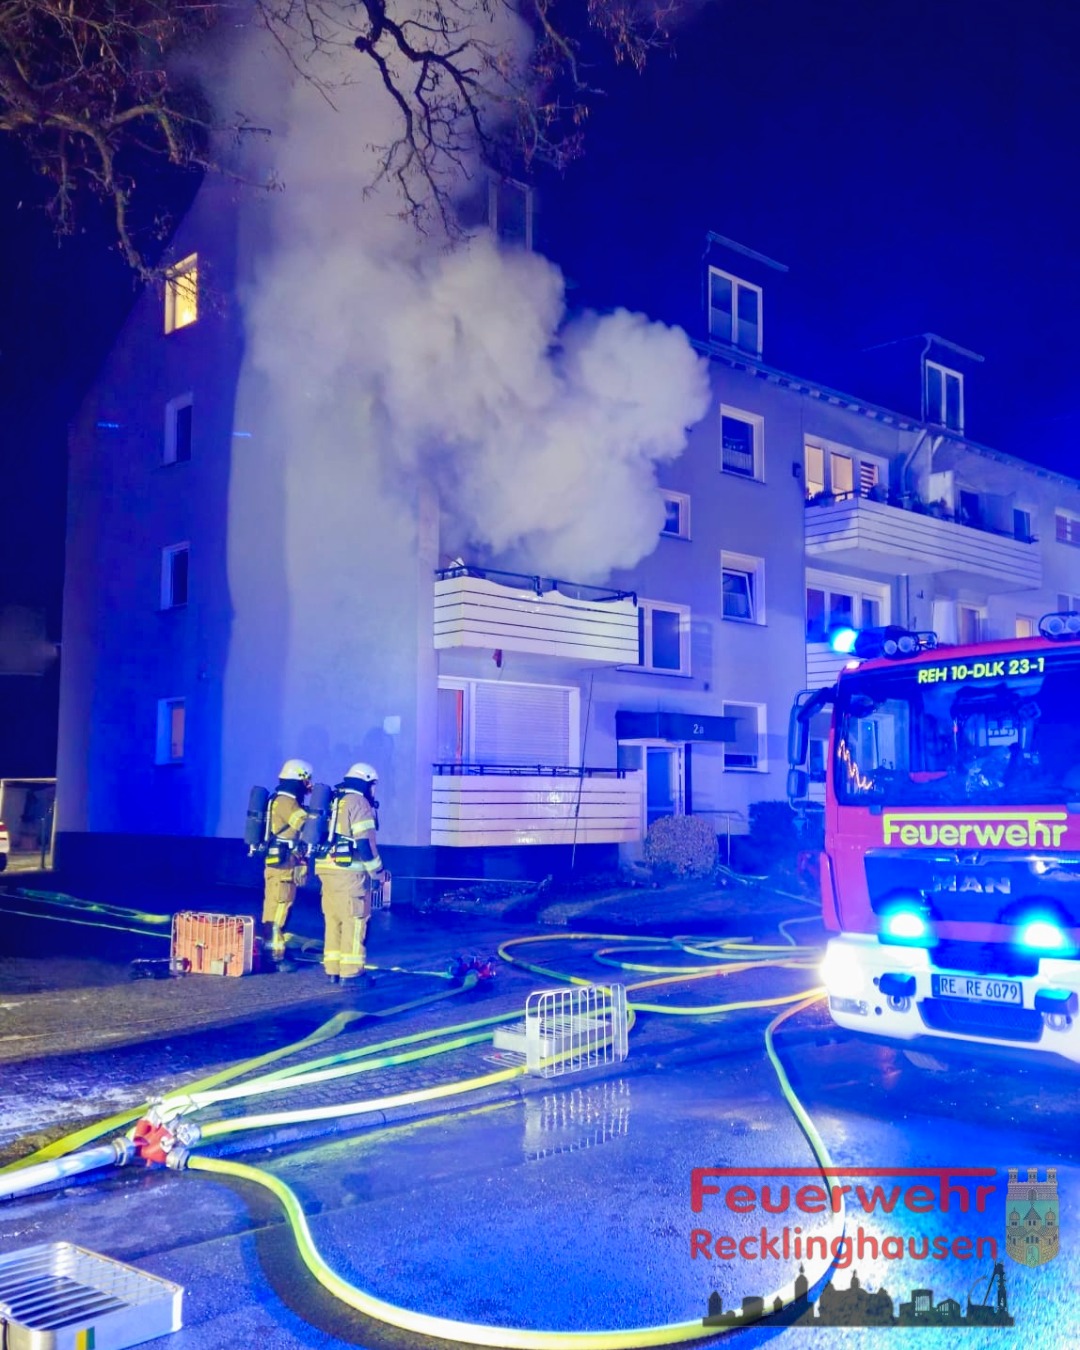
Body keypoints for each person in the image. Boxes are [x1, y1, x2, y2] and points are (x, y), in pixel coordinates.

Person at [315, 762, 387, 985]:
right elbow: (364, 843)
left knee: (334, 920)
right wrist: (377, 872)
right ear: (366, 782)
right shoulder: (359, 803)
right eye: (373, 785)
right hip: (349, 874)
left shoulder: (335, 799)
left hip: (326, 869)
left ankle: (333, 970)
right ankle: (352, 973)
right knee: (354, 921)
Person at [261, 758, 315, 971]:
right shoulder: (286, 802)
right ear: (298, 778)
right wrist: (322, 813)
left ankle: (276, 950)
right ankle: (274, 957)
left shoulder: (284, 799)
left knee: (279, 908)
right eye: (307, 780)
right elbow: (305, 825)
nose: (309, 785)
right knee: (278, 910)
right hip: (282, 867)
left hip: (285, 864)